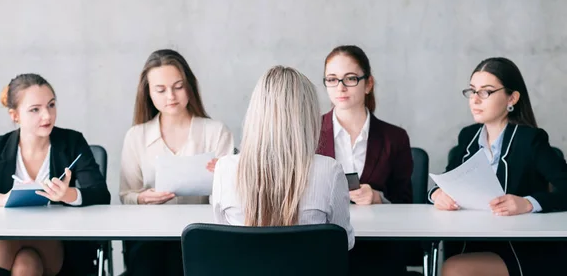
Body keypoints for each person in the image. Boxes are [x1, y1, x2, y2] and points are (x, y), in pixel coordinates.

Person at [431, 57, 567, 276]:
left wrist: (527, 203)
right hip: (473, 241)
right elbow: (445, 179)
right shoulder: (468, 136)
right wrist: (437, 194)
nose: (475, 100)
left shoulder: (530, 140)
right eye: (472, 91)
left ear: (511, 98)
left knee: (454, 269)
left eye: (485, 92)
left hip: (520, 248)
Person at [0, 73, 110, 276]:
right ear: (14, 115)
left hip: (60, 245)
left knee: (9, 240)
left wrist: (67, 195)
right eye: (35, 109)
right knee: (25, 265)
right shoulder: (0, 147)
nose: (47, 115)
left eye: (51, 105)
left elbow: (101, 193)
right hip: (11, 246)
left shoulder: (72, 142)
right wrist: (0, 199)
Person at [212, 65, 354, 249]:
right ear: (308, 115)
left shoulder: (225, 168)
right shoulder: (330, 170)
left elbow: (222, 238)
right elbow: (344, 242)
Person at [120, 49, 234, 275]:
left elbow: (231, 200)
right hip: (150, 235)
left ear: (190, 86)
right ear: (148, 93)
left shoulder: (215, 132)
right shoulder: (136, 136)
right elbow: (126, 194)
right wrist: (142, 198)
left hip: (201, 233)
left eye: (178, 87)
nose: (170, 96)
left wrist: (221, 177)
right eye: (160, 90)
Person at [317, 45, 413, 275]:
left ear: (368, 84)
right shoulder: (309, 132)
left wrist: (379, 198)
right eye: (332, 79)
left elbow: (407, 202)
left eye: (350, 78)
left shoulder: (394, 138)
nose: (340, 87)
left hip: (378, 246)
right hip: (323, 243)